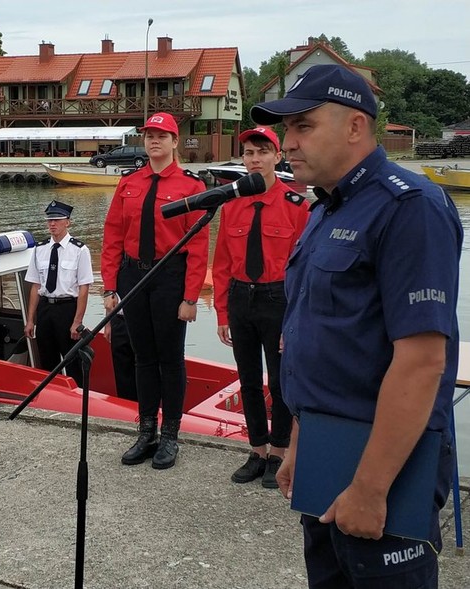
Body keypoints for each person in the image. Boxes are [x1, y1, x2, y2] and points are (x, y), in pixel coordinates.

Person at [250, 64, 462, 587]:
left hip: (384, 467)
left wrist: (371, 488)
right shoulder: (325, 209)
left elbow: (422, 361)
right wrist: (299, 442)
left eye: (303, 126)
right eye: (286, 129)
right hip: (325, 453)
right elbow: (316, 342)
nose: (288, 143)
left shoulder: (410, 207)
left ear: (354, 126)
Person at [102, 112, 210, 469]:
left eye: (162, 135)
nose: (154, 140)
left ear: (175, 142)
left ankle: (171, 436)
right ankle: (146, 431)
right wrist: (109, 287)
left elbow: (198, 247)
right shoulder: (128, 183)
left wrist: (190, 298)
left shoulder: (192, 187)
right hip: (133, 276)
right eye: (149, 135)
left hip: (169, 277)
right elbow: (113, 237)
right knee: (142, 357)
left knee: (170, 359)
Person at [212, 126, 309, 488]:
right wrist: (222, 313)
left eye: (262, 152)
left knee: (281, 382)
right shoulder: (231, 205)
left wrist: (296, 321)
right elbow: (221, 264)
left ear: (277, 156)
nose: (255, 159)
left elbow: (304, 271)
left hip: (278, 299)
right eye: (249, 153)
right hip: (241, 299)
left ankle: (280, 452)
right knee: (249, 380)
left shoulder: (296, 207)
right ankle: (257, 449)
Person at [24, 200, 93, 387]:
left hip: (67, 309)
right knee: (47, 360)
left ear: (67, 222)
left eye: (57, 220)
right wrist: (31, 319)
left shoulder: (79, 250)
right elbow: (36, 286)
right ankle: (52, 396)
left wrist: (77, 322)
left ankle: (79, 399)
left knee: (72, 361)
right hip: (46, 309)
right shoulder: (39, 249)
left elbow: (84, 288)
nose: (52, 224)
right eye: (49, 220)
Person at [103, 296, 137, 401]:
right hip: (118, 319)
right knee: (121, 370)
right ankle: (125, 404)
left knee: (145, 367)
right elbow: (110, 295)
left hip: (142, 319)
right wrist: (108, 323)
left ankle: (147, 411)